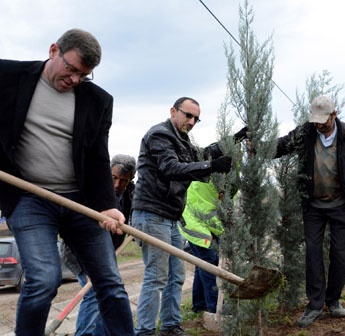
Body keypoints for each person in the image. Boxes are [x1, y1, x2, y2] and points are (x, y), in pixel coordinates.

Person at [0, 28, 134, 335]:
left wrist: (108, 207)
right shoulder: (7, 75)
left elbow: (99, 156)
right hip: (29, 198)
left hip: (80, 201)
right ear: (53, 51)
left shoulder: (98, 100)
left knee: (110, 283)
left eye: (84, 75)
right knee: (44, 279)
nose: (74, 80)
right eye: (71, 69)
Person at [131, 97, 242, 336]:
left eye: (196, 119)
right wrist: (212, 166)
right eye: (187, 115)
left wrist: (234, 140)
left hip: (170, 217)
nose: (191, 122)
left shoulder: (181, 140)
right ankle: (145, 331)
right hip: (152, 214)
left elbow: (201, 153)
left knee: (176, 275)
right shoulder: (160, 135)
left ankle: (170, 326)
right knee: (157, 276)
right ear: (173, 111)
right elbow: (171, 168)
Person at [274, 95, 345, 327]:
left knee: (340, 255)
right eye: (315, 120)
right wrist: (258, 146)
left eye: (323, 120)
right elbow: (282, 145)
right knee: (313, 254)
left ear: (334, 114)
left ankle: (334, 300)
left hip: (342, 204)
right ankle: (315, 305)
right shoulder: (306, 132)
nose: (319, 124)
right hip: (313, 206)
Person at [61, 154, 137, 336]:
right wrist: (89, 269)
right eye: (114, 178)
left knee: (108, 295)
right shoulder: (91, 191)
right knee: (94, 293)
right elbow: (73, 229)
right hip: (79, 252)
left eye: (123, 181)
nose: (118, 185)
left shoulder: (128, 195)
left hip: (106, 253)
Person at [179, 179, 225, 317]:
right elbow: (209, 213)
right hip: (195, 222)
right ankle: (215, 307)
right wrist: (223, 232)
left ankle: (199, 305)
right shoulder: (212, 182)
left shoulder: (220, 180)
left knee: (202, 264)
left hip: (198, 219)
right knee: (209, 264)